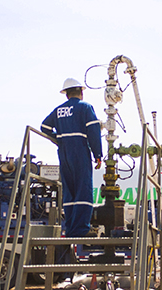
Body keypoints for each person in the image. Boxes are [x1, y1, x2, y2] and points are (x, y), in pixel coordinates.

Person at [41, 78, 103, 239]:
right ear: (81, 92)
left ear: (66, 94)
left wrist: (59, 138)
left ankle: (70, 227)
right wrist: (98, 154)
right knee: (83, 188)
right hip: (80, 150)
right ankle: (81, 229)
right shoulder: (85, 107)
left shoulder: (58, 110)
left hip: (64, 152)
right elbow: (93, 131)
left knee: (69, 189)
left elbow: (44, 127)